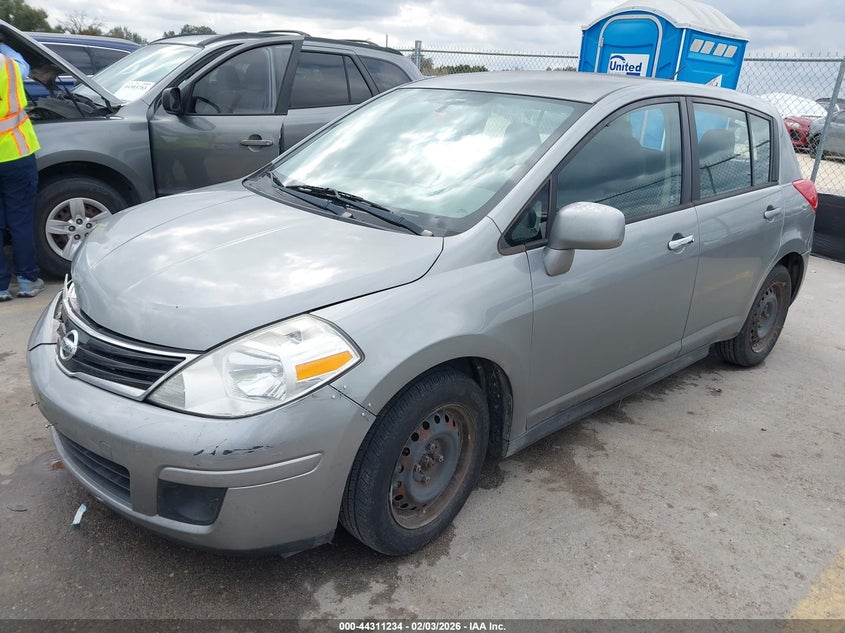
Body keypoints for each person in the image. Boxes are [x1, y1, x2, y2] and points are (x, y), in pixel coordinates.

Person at [0, 41, 43, 301]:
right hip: (16, 152)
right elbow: (23, 64)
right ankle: (27, 281)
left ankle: (1, 287)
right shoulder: (9, 64)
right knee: (21, 221)